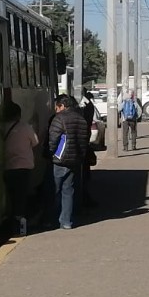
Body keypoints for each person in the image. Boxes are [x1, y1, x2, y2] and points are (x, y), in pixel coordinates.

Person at [48, 94, 90, 230]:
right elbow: (85, 140)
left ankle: (52, 220)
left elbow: (53, 140)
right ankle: (66, 221)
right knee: (68, 190)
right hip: (75, 160)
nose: (56, 110)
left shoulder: (58, 119)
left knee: (54, 190)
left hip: (60, 160)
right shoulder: (81, 119)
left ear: (62, 106)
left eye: (57, 107)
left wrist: (50, 153)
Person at [1, 101, 39, 236]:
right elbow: (35, 142)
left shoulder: (1, 127)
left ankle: (10, 223)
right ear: (19, 114)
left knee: (10, 196)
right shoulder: (25, 127)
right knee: (21, 197)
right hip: (23, 167)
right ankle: (20, 224)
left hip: (7, 167)